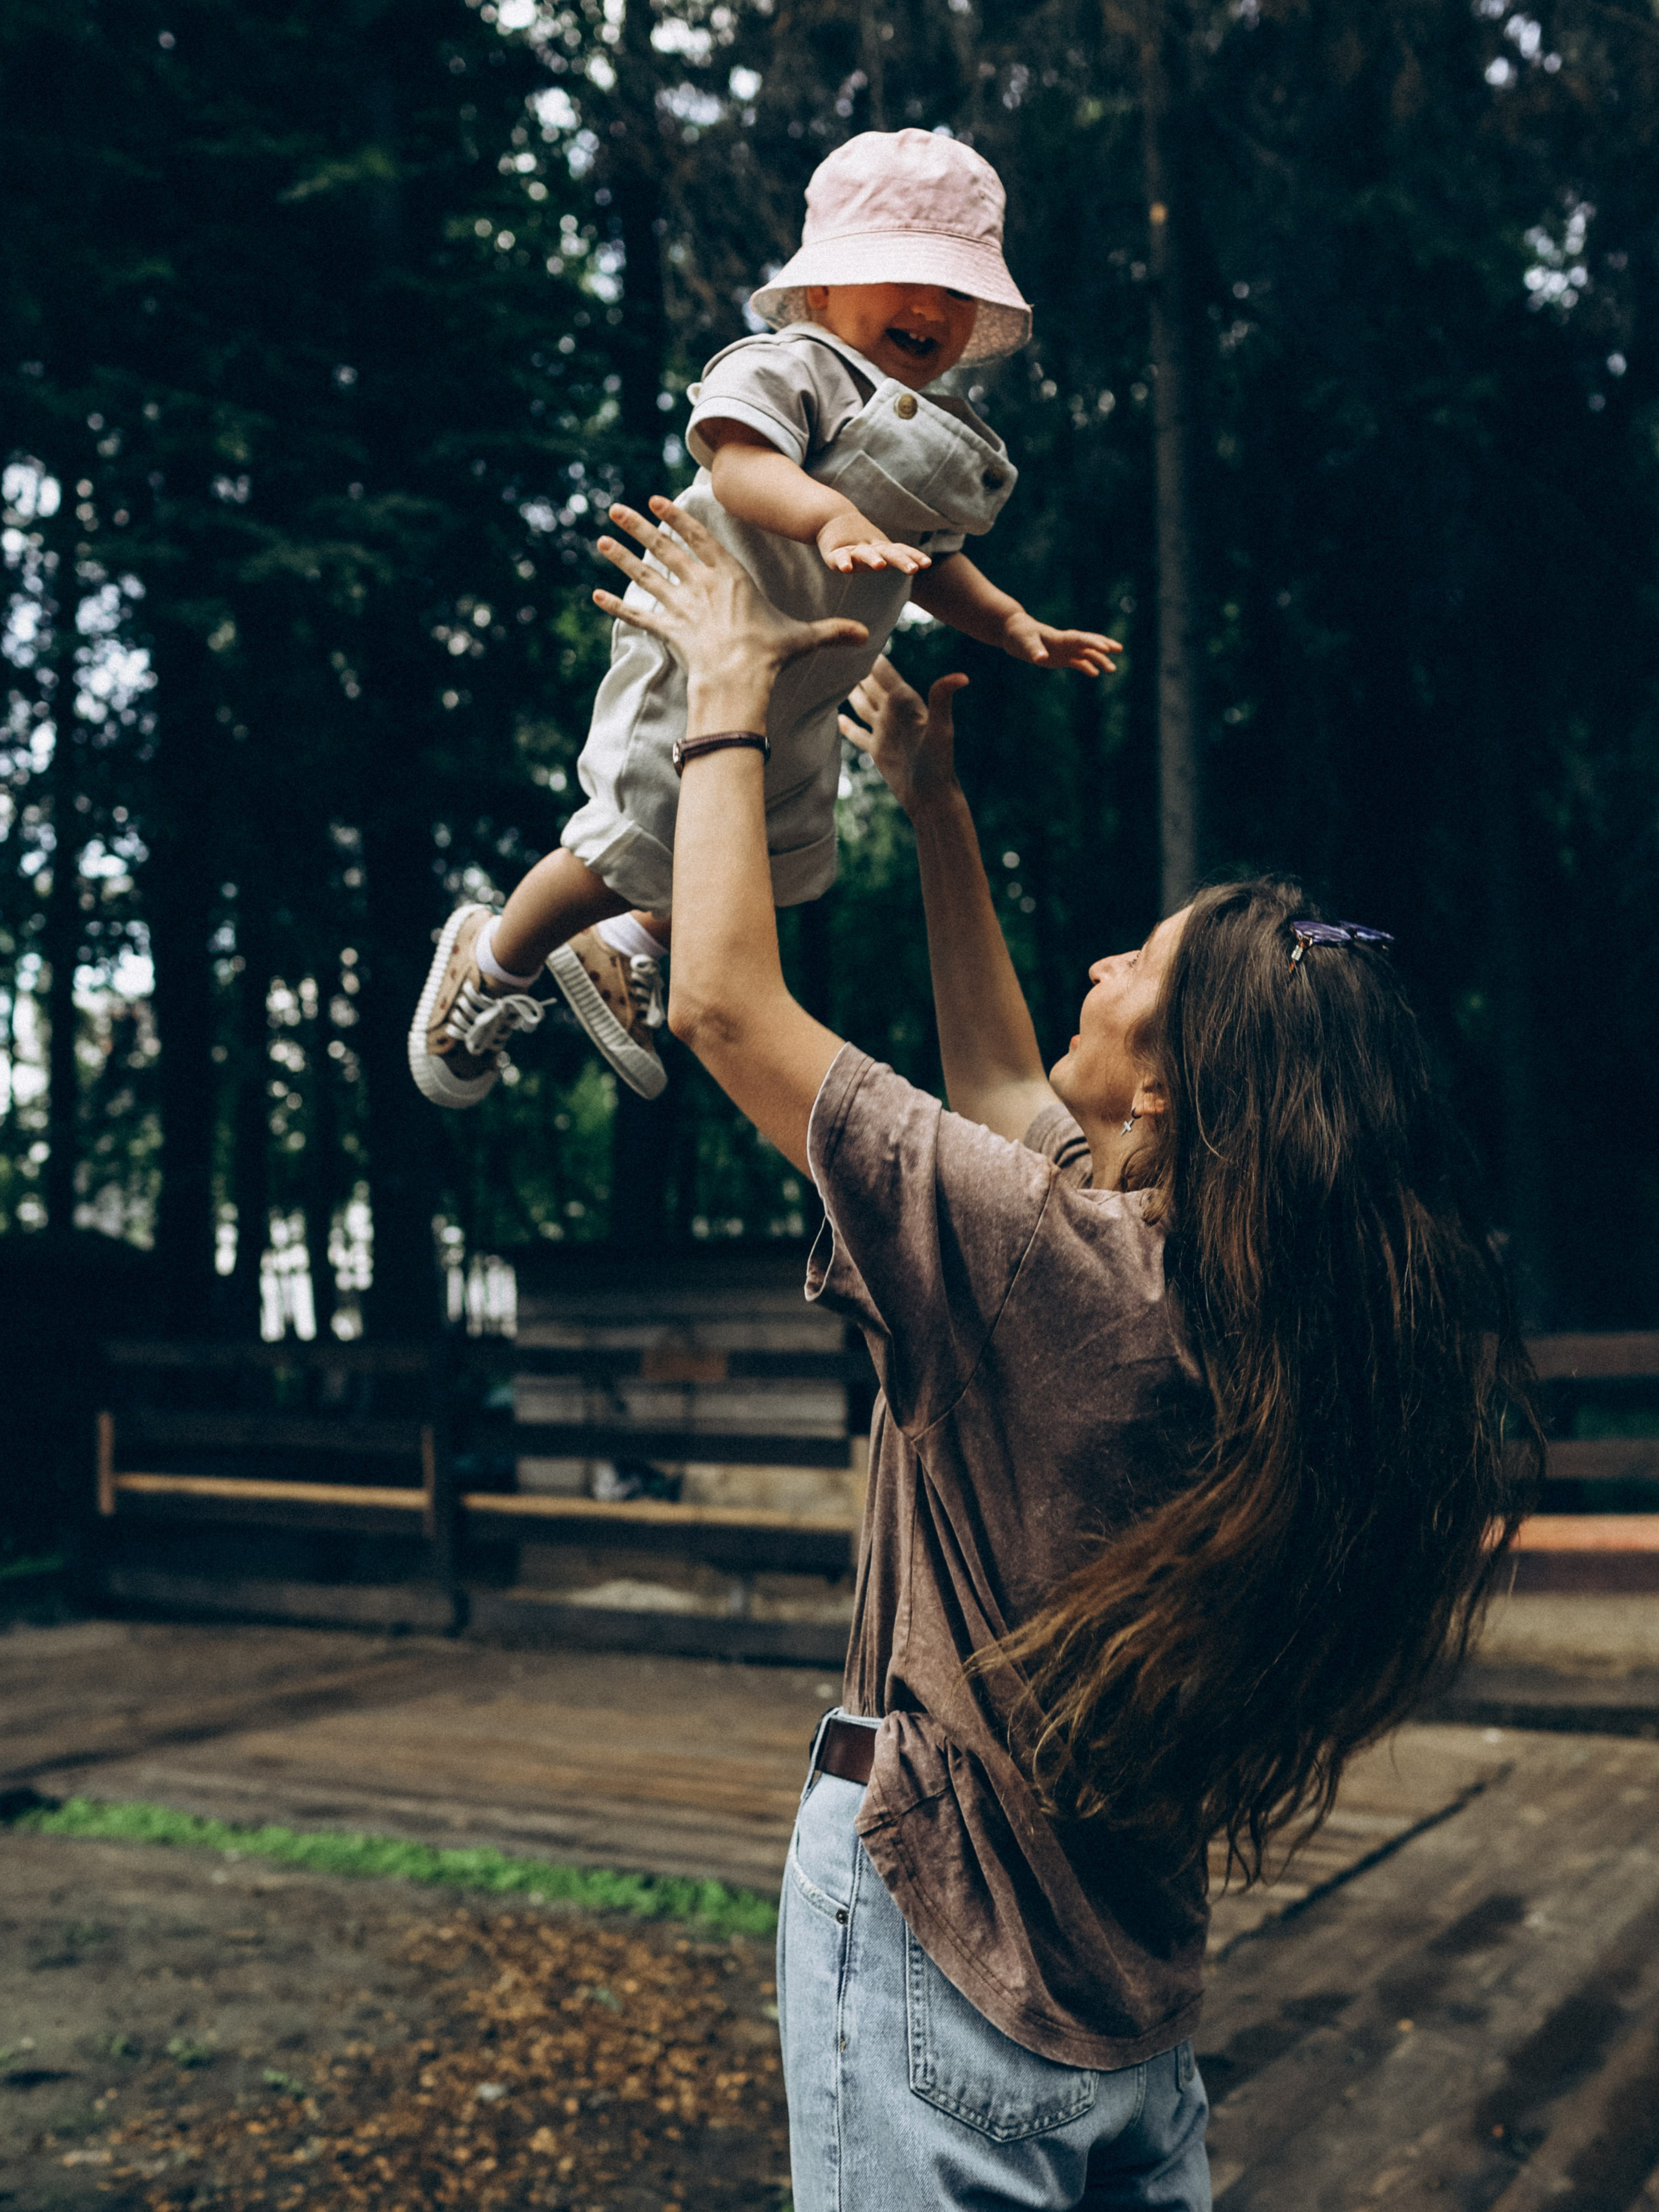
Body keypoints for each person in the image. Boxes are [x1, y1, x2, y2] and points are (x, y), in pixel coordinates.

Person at [586, 494, 1540, 2212]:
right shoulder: (1246, 1298)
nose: (1098, 956)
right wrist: (938, 819)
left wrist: (724, 693)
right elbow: (1011, 1096)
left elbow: (723, 1001)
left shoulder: (1053, 1265)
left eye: (1137, 961)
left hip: (937, 1930)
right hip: (1123, 2012)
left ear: (1178, 1091)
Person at [408, 126, 1119, 1114]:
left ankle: (622, 947)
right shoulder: (794, 365)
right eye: (899, 275)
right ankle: (494, 958)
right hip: (706, 649)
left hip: (801, 692)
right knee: (629, 833)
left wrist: (1010, 625)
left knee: (761, 857)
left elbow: (933, 563)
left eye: (957, 292)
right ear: (822, 291)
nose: (930, 308)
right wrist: (830, 514)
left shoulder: (941, 435)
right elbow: (737, 464)